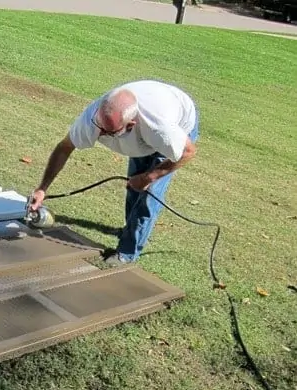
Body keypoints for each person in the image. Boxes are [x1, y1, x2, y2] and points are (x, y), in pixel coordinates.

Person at [29, 79, 199, 265]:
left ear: (130, 125)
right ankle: (130, 230)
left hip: (179, 123)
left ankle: (127, 253)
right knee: (134, 186)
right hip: (143, 135)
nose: (100, 134)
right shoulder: (91, 120)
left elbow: (187, 152)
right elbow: (64, 148)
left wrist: (149, 176)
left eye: (108, 132)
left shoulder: (160, 129)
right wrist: (42, 188)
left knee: (147, 195)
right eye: (99, 127)